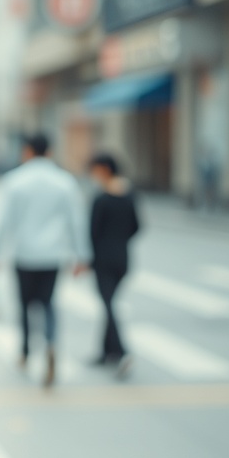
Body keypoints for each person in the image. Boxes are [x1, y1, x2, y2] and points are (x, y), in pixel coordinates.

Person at [0, 134, 90, 387]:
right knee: (48, 303)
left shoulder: (15, 181)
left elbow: (4, 222)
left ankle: (25, 352)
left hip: (24, 254)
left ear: (27, 151)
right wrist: (82, 256)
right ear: (49, 152)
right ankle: (51, 344)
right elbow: (76, 221)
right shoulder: (64, 181)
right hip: (53, 255)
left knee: (24, 304)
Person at [86, 153, 141, 377]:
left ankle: (121, 351)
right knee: (109, 303)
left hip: (102, 260)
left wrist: (86, 258)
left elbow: (92, 232)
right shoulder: (129, 196)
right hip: (122, 258)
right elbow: (137, 226)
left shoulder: (101, 199)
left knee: (108, 305)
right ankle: (106, 351)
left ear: (105, 170)